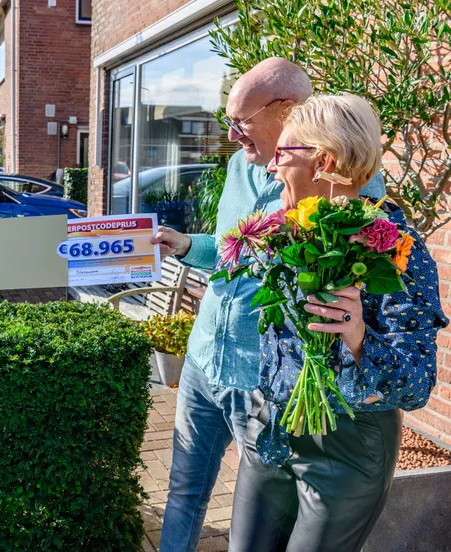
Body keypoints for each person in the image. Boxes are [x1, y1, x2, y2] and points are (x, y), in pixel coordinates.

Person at [151, 58, 386, 552]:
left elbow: (348, 286)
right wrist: (187, 245)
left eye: (242, 121)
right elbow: (231, 245)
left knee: (257, 509)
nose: (234, 134)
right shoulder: (239, 166)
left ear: (286, 109)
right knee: (184, 489)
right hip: (203, 353)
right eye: (229, 121)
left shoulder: (346, 186)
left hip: (258, 373)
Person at [228, 93, 448, 551]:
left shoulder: (397, 248)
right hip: (269, 428)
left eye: (282, 154)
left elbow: (415, 384)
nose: (269, 167)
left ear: (323, 159)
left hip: (347, 449)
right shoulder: (284, 230)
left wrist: (357, 336)